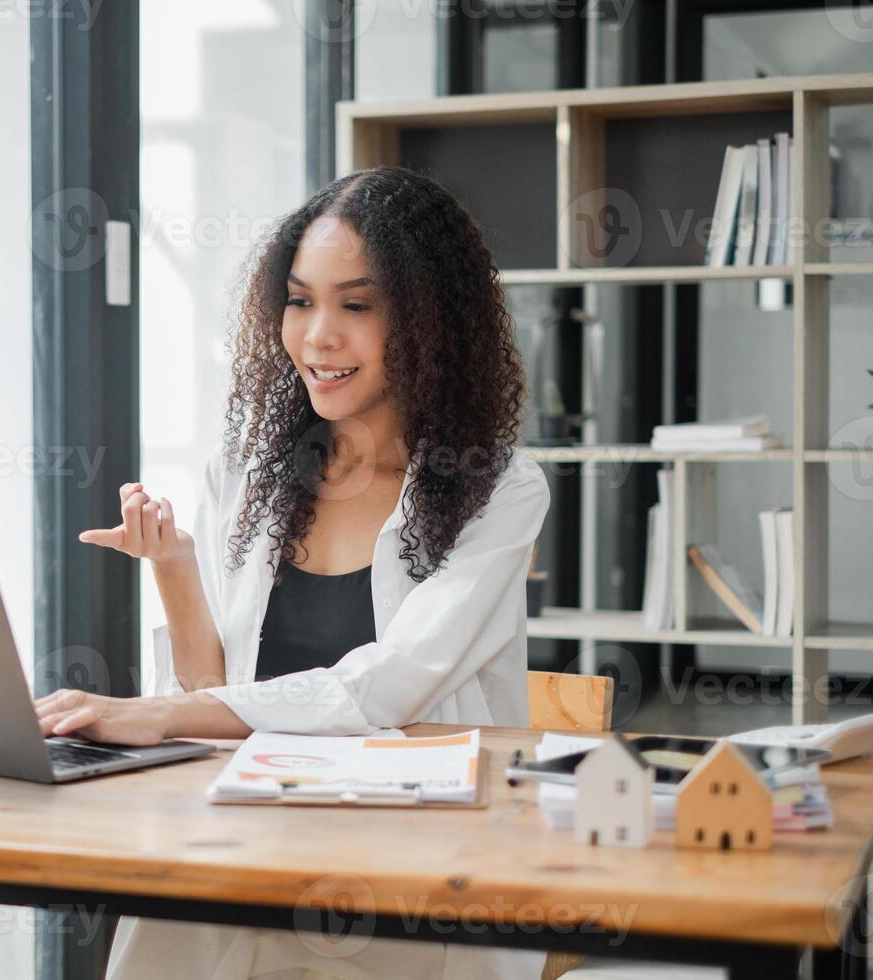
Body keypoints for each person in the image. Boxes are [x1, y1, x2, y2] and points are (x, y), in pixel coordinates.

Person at [35, 166, 551, 980]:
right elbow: (218, 686)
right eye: (300, 301)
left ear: (429, 322)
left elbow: (388, 687)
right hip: (256, 827)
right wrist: (176, 567)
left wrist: (160, 717)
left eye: (356, 305)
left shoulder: (498, 487)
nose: (318, 336)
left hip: (414, 855)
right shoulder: (249, 471)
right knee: (172, 928)